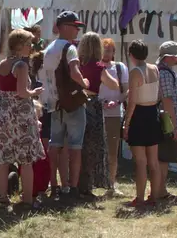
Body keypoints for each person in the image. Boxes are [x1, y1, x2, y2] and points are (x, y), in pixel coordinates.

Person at [0, 29, 44, 209]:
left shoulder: (2, 64)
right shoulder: (21, 66)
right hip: (21, 114)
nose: (31, 47)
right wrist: (35, 92)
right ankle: (28, 198)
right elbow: (22, 92)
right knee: (26, 159)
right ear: (19, 45)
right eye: (28, 44)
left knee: (4, 158)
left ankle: (2, 197)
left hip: (5, 113)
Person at [42, 12, 89, 197]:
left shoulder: (48, 49)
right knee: (75, 147)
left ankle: (54, 185)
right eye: (74, 26)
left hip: (54, 104)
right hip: (72, 103)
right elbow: (75, 72)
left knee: (55, 146)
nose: (77, 30)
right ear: (64, 27)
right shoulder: (69, 48)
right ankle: (73, 186)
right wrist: (85, 83)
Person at [124, 41, 163, 207]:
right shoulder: (155, 69)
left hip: (139, 115)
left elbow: (132, 102)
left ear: (131, 55)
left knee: (140, 161)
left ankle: (139, 198)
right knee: (153, 161)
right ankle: (154, 196)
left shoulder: (135, 72)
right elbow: (159, 93)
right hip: (152, 113)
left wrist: (126, 123)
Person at [96, 37, 128, 196]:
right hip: (97, 111)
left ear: (114, 52)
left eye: (109, 50)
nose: (106, 53)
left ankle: (111, 183)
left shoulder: (120, 68)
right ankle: (95, 181)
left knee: (112, 149)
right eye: (104, 50)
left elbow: (126, 90)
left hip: (114, 114)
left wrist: (117, 102)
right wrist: (101, 102)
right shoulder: (95, 67)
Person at [78, 31, 108, 194]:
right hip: (94, 104)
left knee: (79, 144)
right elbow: (114, 83)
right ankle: (88, 183)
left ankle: (77, 181)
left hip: (79, 103)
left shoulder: (77, 64)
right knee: (94, 144)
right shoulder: (99, 67)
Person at [156, 41, 177, 197]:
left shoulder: (167, 72)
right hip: (166, 123)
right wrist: (173, 126)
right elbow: (167, 101)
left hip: (167, 122)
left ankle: (161, 189)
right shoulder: (165, 74)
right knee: (162, 158)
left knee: (164, 159)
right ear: (169, 57)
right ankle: (158, 190)